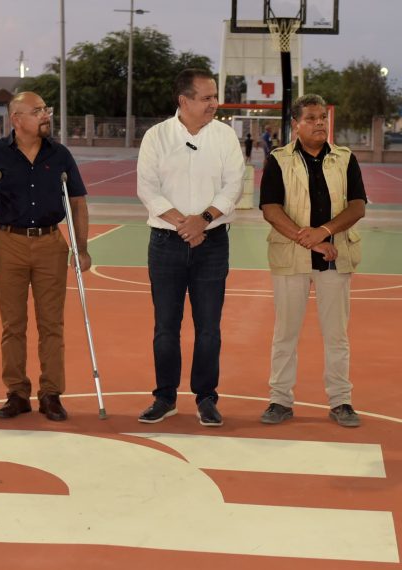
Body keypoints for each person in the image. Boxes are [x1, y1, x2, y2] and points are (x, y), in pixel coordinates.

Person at [0, 92, 90, 422]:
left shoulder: (60, 154)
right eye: (37, 111)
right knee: (13, 325)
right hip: (8, 244)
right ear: (16, 119)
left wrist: (83, 247)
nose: (46, 115)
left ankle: (51, 393)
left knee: (52, 324)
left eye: (46, 109)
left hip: (50, 243)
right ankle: (17, 392)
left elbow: (77, 202)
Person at [135, 68, 244, 427]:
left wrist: (204, 220)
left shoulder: (226, 137)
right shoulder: (157, 137)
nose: (215, 103)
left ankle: (206, 398)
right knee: (165, 327)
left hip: (212, 243)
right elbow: (148, 189)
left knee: (209, 327)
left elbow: (233, 187)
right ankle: (164, 397)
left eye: (215, 96)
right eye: (207, 97)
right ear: (184, 100)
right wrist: (185, 223)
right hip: (167, 242)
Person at [258, 93, 368, 428]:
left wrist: (324, 231)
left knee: (337, 335)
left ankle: (341, 401)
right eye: (311, 118)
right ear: (295, 124)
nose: (320, 123)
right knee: (285, 333)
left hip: (336, 257)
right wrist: (307, 239)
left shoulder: (345, 160)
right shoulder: (278, 160)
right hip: (291, 257)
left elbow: (357, 206)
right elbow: (271, 208)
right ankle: (279, 400)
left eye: (323, 117)